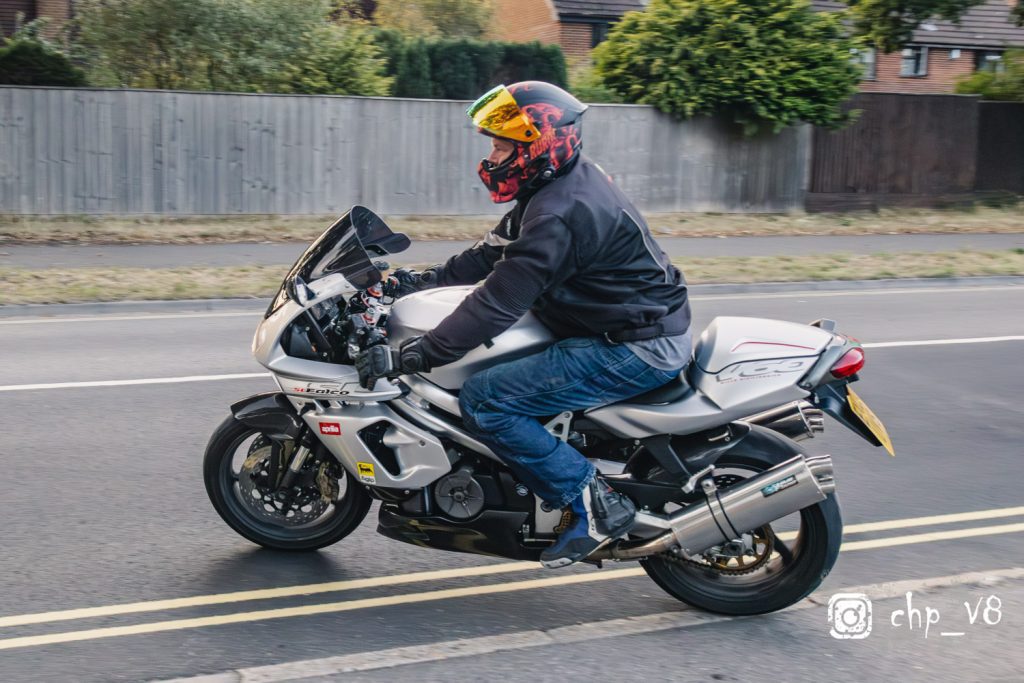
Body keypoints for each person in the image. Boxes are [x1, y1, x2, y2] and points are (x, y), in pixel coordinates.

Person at [356, 81, 692, 568]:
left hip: (635, 345)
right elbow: (488, 257)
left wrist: (416, 354)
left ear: (539, 143)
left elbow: (498, 301)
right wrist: (411, 282)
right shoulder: (555, 187)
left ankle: (596, 503)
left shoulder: (559, 211)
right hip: (621, 322)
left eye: (501, 144)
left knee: (488, 399)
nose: (492, 156)